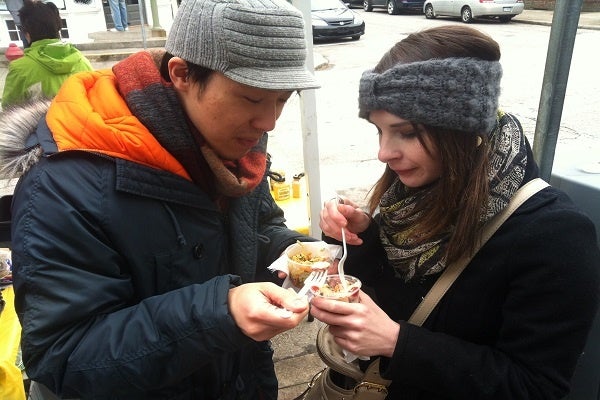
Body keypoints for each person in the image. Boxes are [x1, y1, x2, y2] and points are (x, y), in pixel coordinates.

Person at [0, 0, 320, 398]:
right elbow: (64, 357)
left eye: (282, 99)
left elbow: (259, 224)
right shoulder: (66, 184)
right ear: (181, 74)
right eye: (252, 99)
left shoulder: (236, 147)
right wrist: (219, 312)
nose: (269, 121)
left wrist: (296, 253)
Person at [312, 25, 600, 399]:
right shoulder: (413, 196)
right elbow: (400, 292)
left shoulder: (555, 235)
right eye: (379, 131)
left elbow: (535, 386)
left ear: (462, 130)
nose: (384, 152)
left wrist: (399, 344)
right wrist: (361, 237)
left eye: (407, 132)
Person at [1, 0, 93, 109]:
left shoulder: (20, 69)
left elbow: (9, 108)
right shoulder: (82, 61)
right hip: (79, 123)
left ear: (27, 33)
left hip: (40, 124)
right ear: (58, 27)